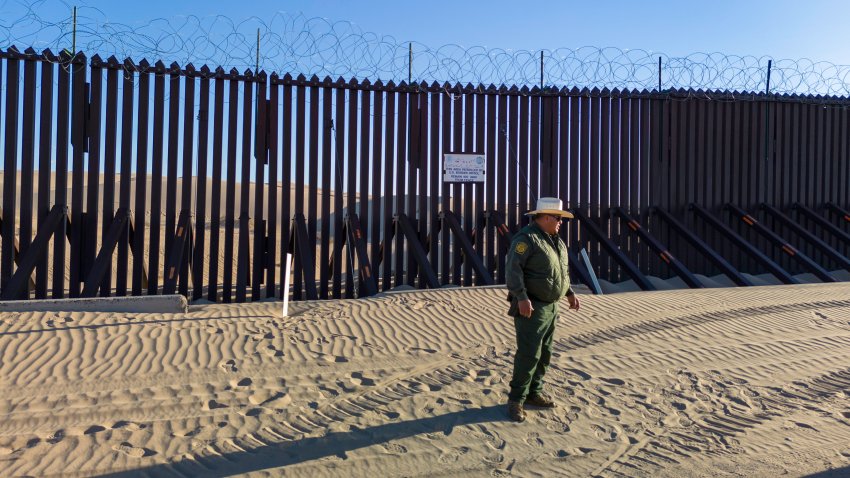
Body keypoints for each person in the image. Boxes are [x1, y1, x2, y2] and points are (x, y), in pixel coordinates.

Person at [505, 197, 580, 423]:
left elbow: (561, 272)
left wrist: (568, 293)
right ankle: (516, 399)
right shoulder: (526, 239)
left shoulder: (555, 241)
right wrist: (521, 297)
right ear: (546, 217)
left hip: (551, 306)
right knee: (529, 354)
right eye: (558, 218)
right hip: (532, 306)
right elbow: (513, 270)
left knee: (545, 353)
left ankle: (534, 393)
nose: (561, 222)